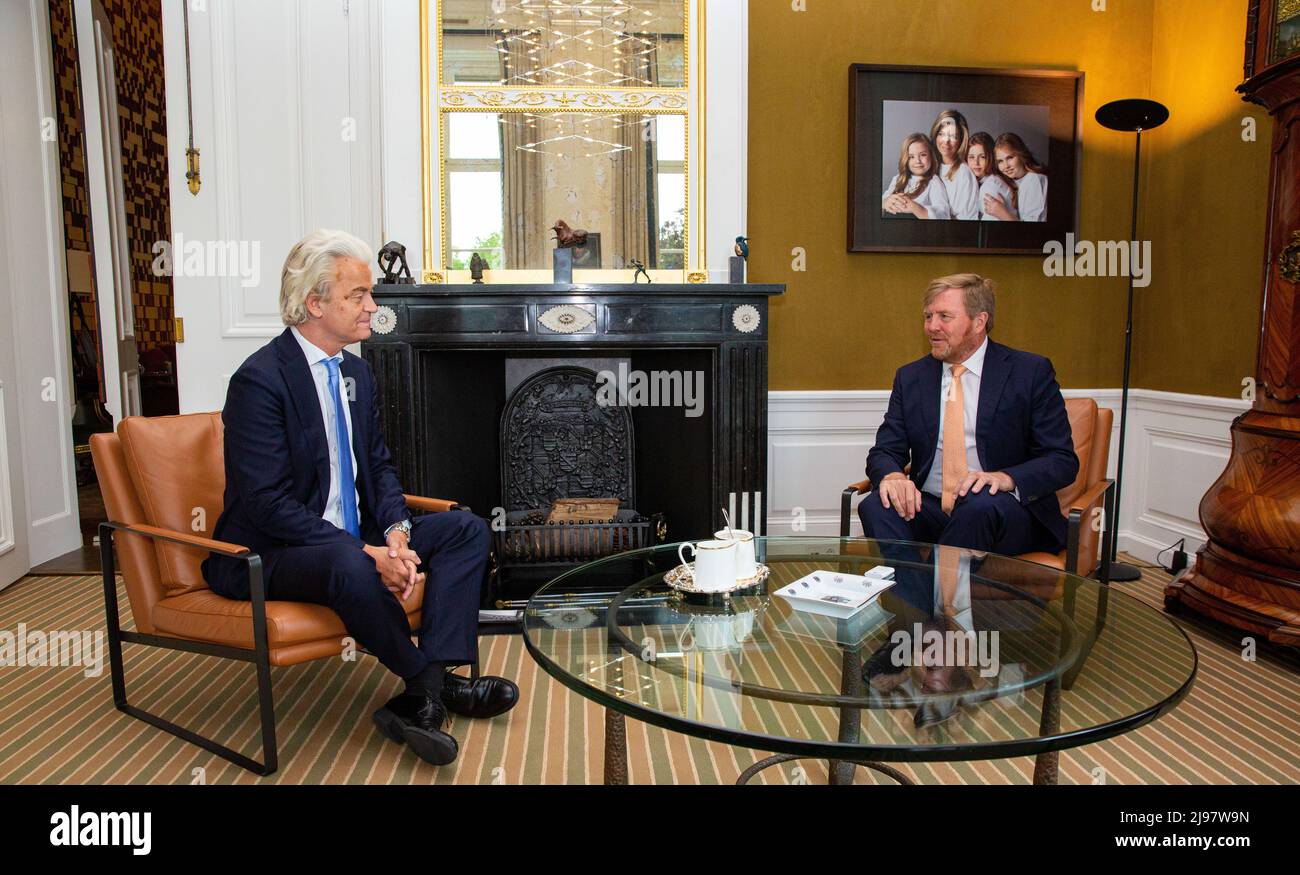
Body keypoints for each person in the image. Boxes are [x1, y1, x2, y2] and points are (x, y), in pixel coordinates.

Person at [202, 229, 518, 767]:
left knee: (466, 528)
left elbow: (377, 466)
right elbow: (265, 504)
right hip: (268, 552)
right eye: (358, 296)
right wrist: (369, 554)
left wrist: (395, 534)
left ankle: (425, 692)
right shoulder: (259, 381)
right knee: (347, 561)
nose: (373, 306)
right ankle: (434, 685)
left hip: (354, 537)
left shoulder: (356, 373)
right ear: (314, 302)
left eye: (370, 294)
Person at [858, 273, 1078, 558]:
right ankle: (922, 599)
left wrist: (1005, 478)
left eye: (944, 317)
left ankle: (930, 597)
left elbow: (1062, 460)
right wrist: (892, 475)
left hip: (1001, 512)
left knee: (978, 503)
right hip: (931, 508)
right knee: (877, 505)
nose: (931, 327)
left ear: (978, 321)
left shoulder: (1029, 372)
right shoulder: (911, 377)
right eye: (928, 316)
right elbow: (886, 449)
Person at [881, 133, 953, 220]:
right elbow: (882, 202)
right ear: (905, 159)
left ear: (931, 156)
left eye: (923, 155)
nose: (918, 161)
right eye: (911, 157)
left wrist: (915, 208)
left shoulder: (933, 182)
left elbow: (943, 214)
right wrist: (885, 202)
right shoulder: (898, 179)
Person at [929, 110, 980, 220]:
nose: (946, 141)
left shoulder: (964, 173)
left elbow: (967, 219)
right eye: (941, 134)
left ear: (961, 140)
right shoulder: (927, 165)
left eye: (953, 136)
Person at [993, 133, 1049, 222]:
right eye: (1000, 161)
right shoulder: (1015, 183)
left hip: (1064, 235)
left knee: (1070, 236)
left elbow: (1032, 230)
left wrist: (1002, 213)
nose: (1005, 166)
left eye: (1010, 158)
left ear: (1021, 155)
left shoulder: (1034, 180)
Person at [966, 131, 1018, 221]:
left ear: (991, 157)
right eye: (971, 157)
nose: (976, 162)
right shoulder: (985, 181)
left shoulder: (990, 186)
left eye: (982, 157)